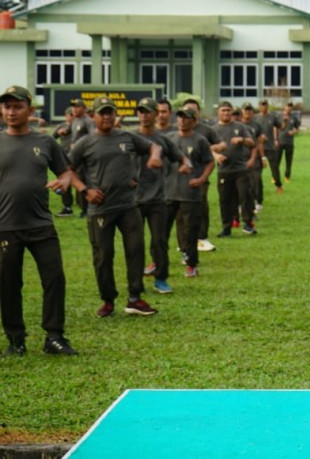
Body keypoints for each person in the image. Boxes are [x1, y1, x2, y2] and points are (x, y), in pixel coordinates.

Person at [0, 85, 83, 355]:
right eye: (6, 106)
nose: (11, 111)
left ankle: (54, 337)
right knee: (8, 284)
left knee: (54, 278)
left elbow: (67, 172)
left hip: (41, 225)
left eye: (17, 106)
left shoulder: (45, 141)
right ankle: (15, 340)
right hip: (6, 226)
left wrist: (64, 182)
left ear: (29, 110)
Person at [69, 96, 163, 317]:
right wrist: (85, 190)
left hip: (129, 206)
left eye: (110, 112)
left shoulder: (127, 136)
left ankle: (135, 298)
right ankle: (108, 299)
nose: (107, 116)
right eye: (102, 112)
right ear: (93, 116)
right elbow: (68, 170)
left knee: (136, 250)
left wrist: (153, 158)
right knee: (103, 255)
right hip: (101, 210)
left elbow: (154, 146)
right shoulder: (85, 143)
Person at [133, 97, 184, 294]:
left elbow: (180, 157)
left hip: (157, 199)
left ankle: (161, 278)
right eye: (141, 111)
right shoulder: (128, 137)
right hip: (134, 200)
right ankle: (136, 281)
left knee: (159, 240)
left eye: (148, 111)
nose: (144, 115)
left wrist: (186, 165)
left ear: (155, 114)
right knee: (135, 243)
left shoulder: (163, 140)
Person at [164, 108, 215, 279]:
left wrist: (201, 179)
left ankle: (192, 264)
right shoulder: (169, 139)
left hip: (190, 192)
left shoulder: (200, 140)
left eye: (186, 118)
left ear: (194, 120)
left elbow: (210, 162)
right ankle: (158, 262)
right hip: (169, 191)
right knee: (161, 231)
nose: (182, 121)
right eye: (179, 117)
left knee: (190, 230)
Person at [182, 98, 221, 253]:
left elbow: (221, 144)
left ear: (198, 112)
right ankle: (185, 241)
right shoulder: (177, 132)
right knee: (181, 211)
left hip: (200, 175)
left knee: (200, 206)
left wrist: (210, 148)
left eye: (193, 110)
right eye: (186, 110)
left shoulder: (206, 131)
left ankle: (202, 238)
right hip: (180, 178)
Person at [213, 101, 256, 237]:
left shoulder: (240, 127)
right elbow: (206, 148)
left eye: (228, 110)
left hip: (240, 168)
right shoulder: (213, 130)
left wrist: (242, 140)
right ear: (218, 112)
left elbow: (252, 142)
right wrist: (216, 155)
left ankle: (248, 224)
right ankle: (227, 227)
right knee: (225, 200)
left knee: (245, 196)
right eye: (223, 110)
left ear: (232, 112)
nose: (226, 113)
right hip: (224, 170)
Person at [254, 99, 283, 198]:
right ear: (259, 106)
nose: (264, 107)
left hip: (270, 146)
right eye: (262, 105)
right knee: (258, 170)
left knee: (274, 167)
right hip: (258, 148)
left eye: (265, 105)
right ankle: (257, 189)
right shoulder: (255, 118)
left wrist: (285, 121)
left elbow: (281, 127)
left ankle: (278, 185)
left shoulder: (272, 117)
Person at [278, 102, 300, 182]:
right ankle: (275, 176)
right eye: (288, 106)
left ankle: (287, 177)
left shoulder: (294, 117)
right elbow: (275, 127)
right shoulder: (279, 116)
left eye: (291, 107)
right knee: (277, 160)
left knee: (288, 161)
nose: (289, 108)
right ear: (285, 107)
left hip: (289, 142)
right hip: (279, 141)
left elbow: (297, 129)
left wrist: (293, 132)